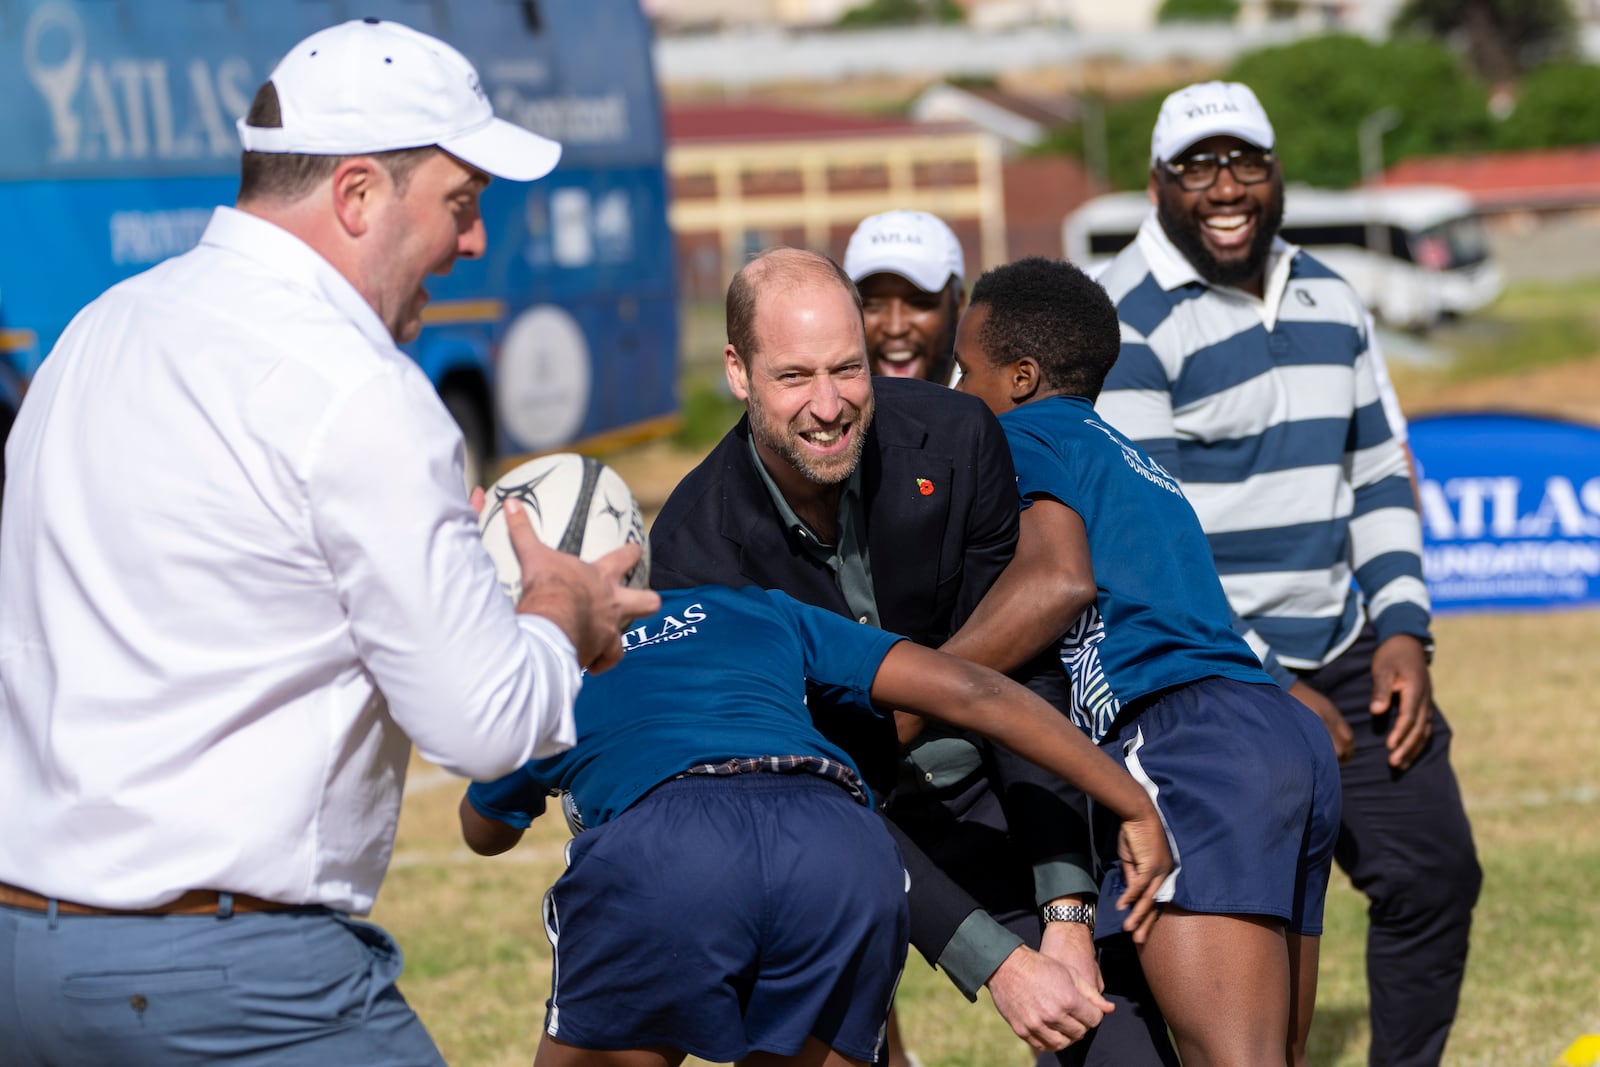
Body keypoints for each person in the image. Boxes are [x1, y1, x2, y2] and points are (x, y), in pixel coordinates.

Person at [0, 19, 657, 1066]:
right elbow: (482, 726)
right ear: (357, 196)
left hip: (25, 956)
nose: (475, 240)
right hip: (227, 977)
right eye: (461, 202)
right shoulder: (359, 392)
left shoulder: (98, 331)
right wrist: (558, 613)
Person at [650, 247, 1139, 1059]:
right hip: (816, 827)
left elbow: (1023, 669)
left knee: (1117, 1047)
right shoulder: (695, 548)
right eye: (794, 376)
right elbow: (798, 790)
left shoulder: (957, 437)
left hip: (988, 779)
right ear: (738, 372)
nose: (830, 404)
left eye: (848, 368)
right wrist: (995, 960)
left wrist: (1065, 911)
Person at [1093, 80, 1482, 1067]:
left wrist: (1400, 626)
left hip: (1348, 644)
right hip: (1204, 671)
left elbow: (1376, 472)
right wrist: (1262, 676)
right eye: (1198, 167)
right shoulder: (1120, 320)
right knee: (1232, 933)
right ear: (1156, 186)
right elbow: (1146, 534)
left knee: (1431, 874)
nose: (1225, 186)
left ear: (1275, 176)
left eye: (1245, 163)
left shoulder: (1331, 292)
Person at [459, 582, 1173, 1067]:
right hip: (836, 838)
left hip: (668, 842)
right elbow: (974, 689)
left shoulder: (548, 668)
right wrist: (1133, 802)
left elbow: (482, 827)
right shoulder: (750, 606)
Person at [944, 255, 1343, 1066]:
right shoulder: (1128, 455)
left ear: (1020, 378)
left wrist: (914, 690)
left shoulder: (1019, 433)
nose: (956, 389)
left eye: (965, 369)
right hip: (1271, 730)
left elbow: (1056, 583)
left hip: (1184, 738)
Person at [843, 209, 965, 384]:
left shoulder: (995, 406)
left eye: (919, 304)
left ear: (958, 305)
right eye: (872, 305)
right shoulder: (823, 407)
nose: (895, 328)